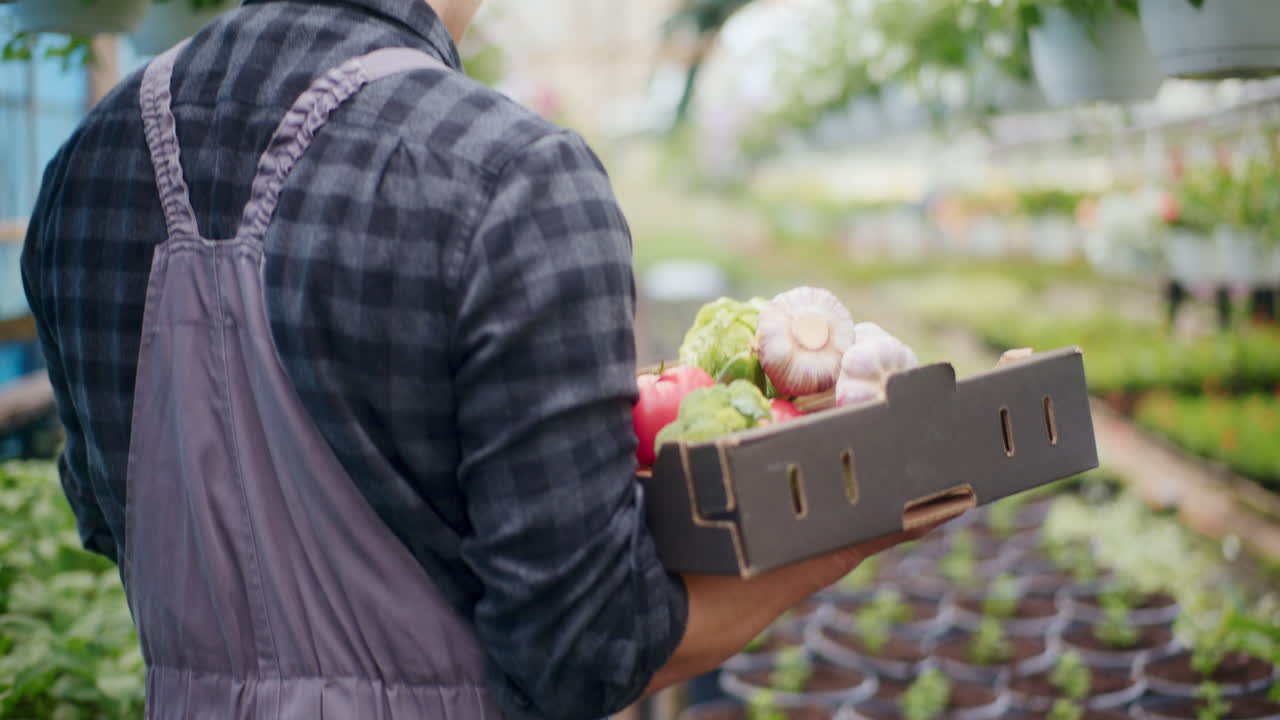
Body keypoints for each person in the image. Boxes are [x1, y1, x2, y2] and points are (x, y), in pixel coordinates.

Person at [21, 0, 950, 717]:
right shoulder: (510, 176)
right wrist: (855, 527)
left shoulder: (82, 169)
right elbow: (587, 650)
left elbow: (114, 517)